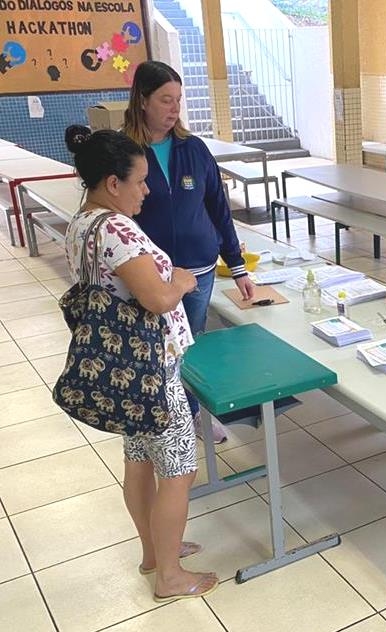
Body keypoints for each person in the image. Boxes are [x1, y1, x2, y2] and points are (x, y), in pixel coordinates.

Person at [63, 125, 218, 602]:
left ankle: (155, 553)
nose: (147, 191)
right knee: (179, 470)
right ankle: (170, 577)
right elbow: (155, 298)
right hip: (153, 369)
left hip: (124, 370)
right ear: (114, 183)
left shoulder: (82, 224)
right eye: (140, 181)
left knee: (139, 460)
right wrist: (185, 282)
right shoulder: (116, 228)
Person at [123, 60, 255, 444]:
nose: (174, 108)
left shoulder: (193, 149)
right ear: (142, 100)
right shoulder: (127, 151)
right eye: (165, 100)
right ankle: (158, 414)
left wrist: (238, 266)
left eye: (178, 99)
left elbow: (218, 207)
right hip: (149, 271)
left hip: (198, 268)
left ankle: (192, 414)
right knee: (154, 348)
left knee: (190, 345)